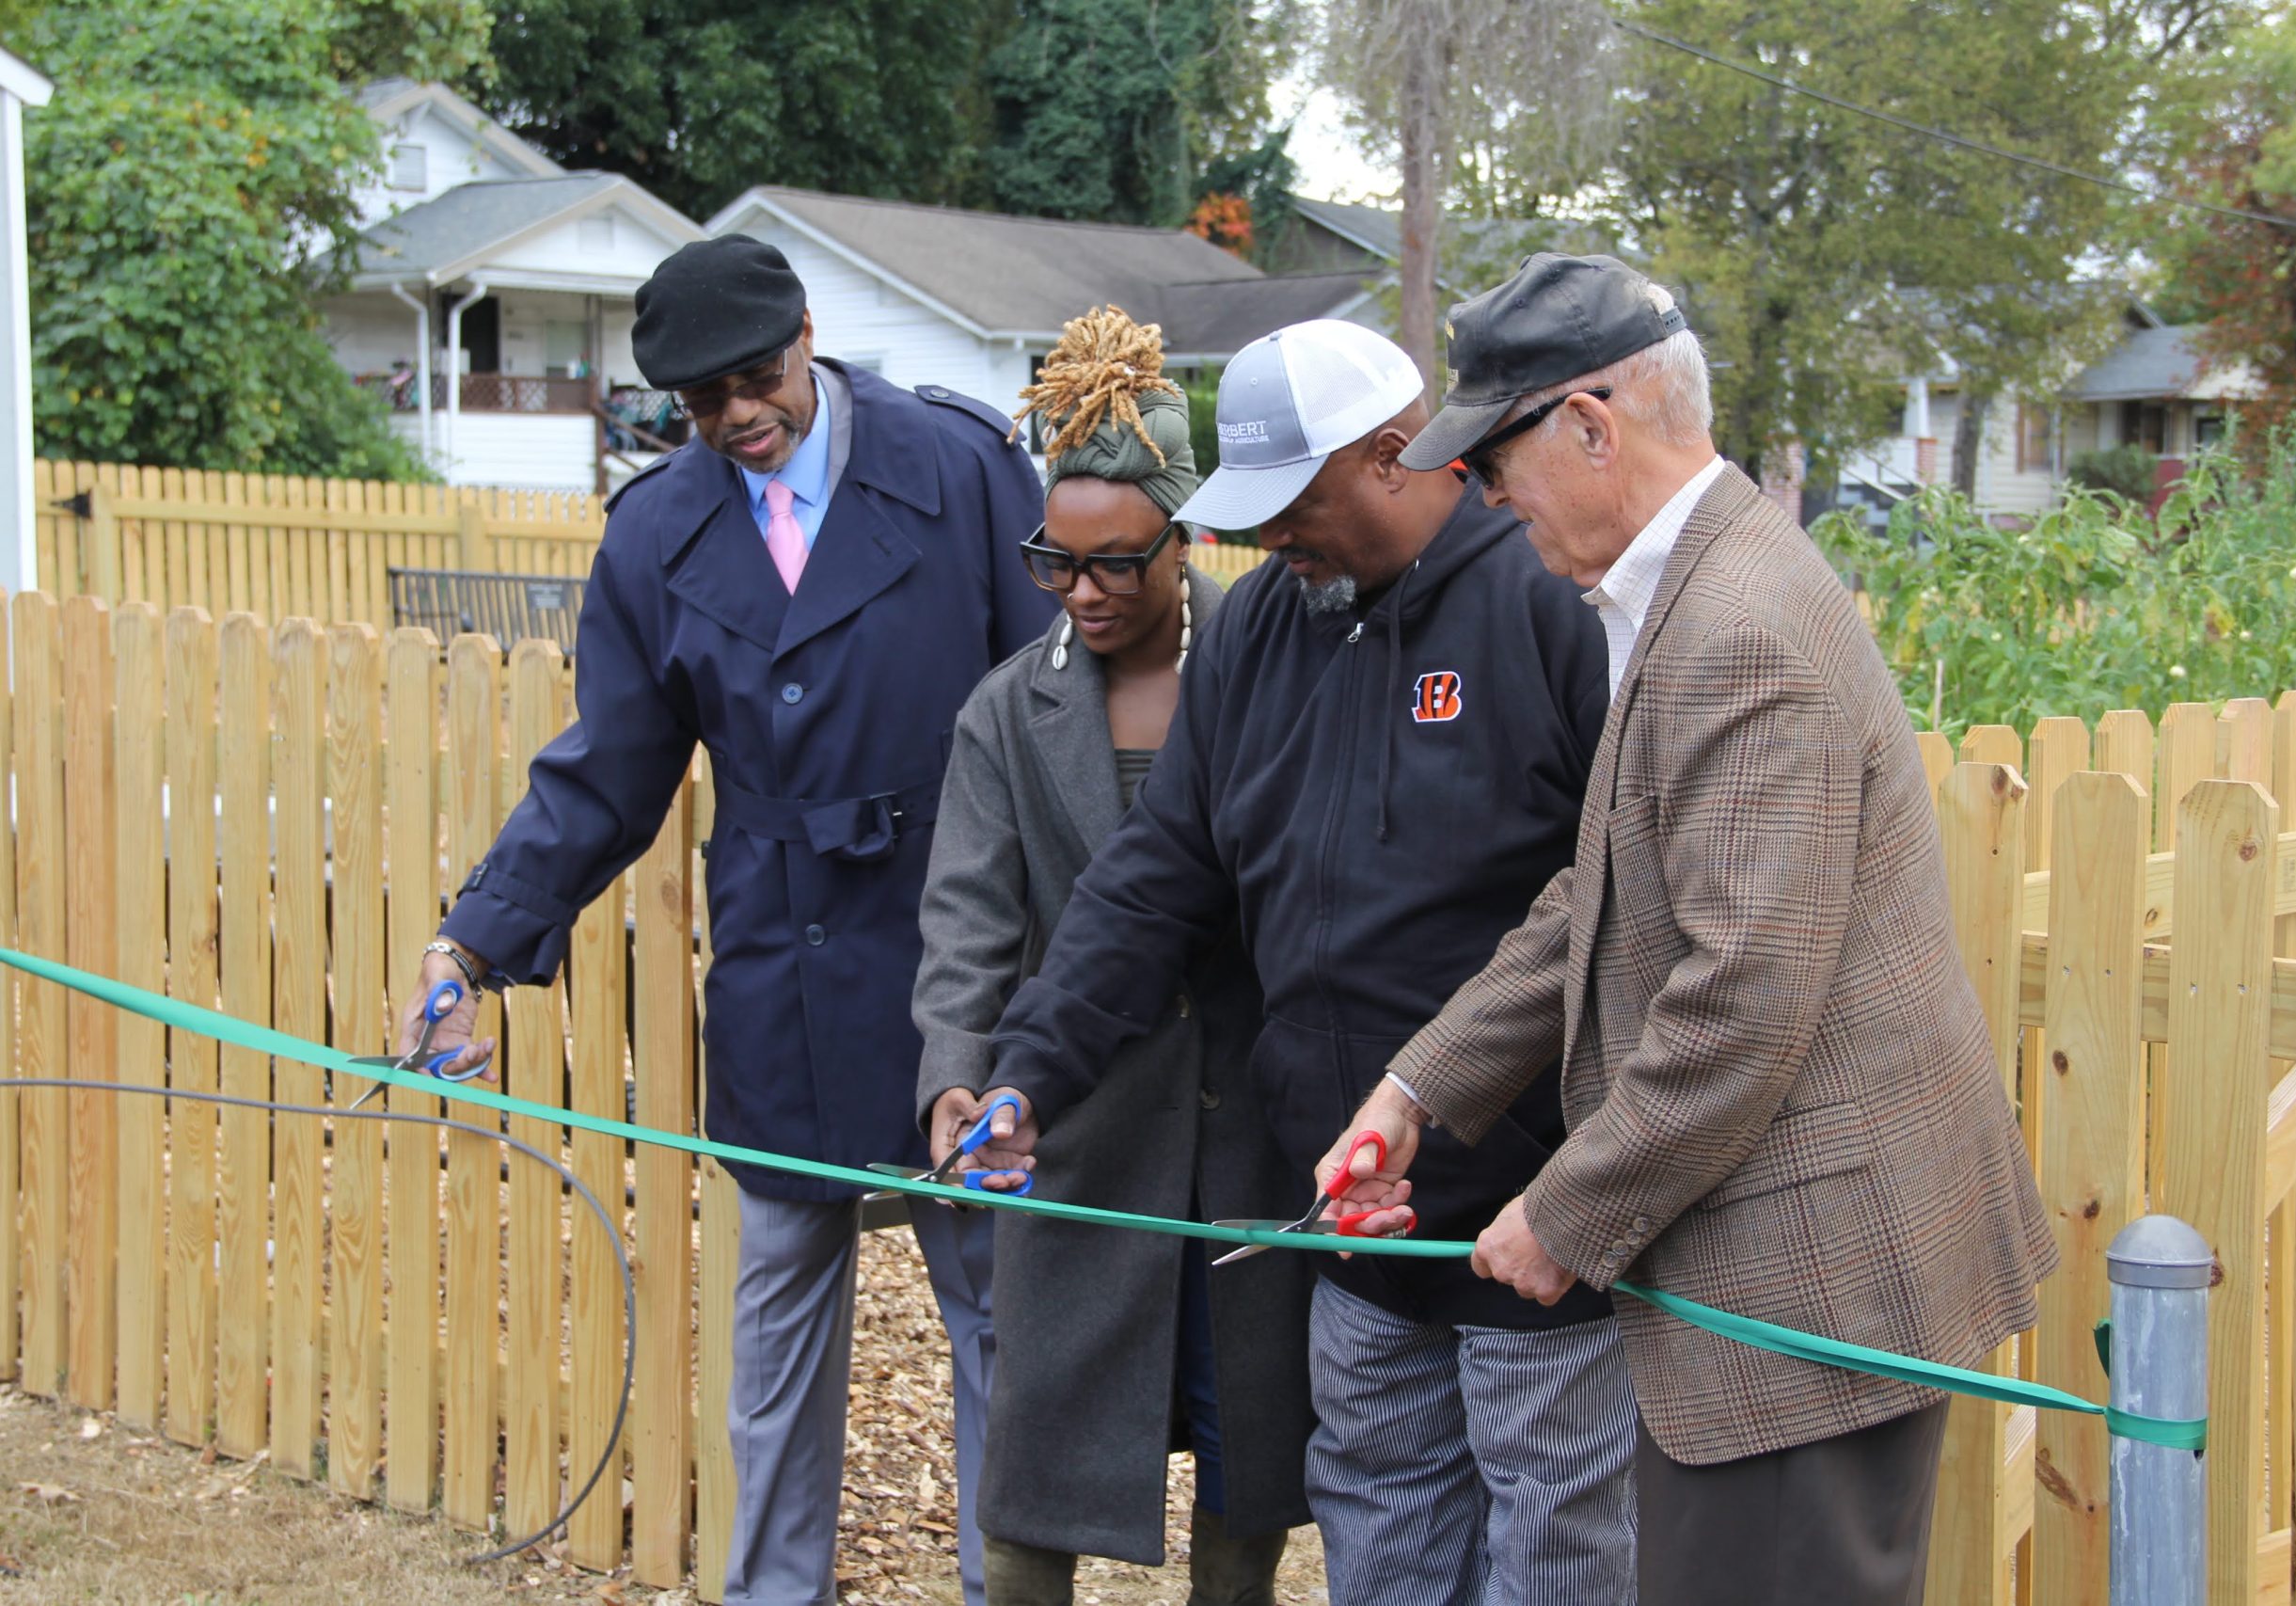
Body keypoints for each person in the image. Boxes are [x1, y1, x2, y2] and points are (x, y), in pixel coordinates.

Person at [1314, 251, 2056, 1605]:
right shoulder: (1681, 594)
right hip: (1782, 1285)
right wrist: (1419, 1087)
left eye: (1493, 458)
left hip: (1810, 1298)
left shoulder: (1738, 627)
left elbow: (1741, 999)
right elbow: (1595, 896)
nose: (1478, 494)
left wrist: (1562, 1214)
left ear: (1592, 426)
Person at [392, 235, 1057, 1606]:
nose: (739, 417)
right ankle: (775, 1592)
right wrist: (472, 942)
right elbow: (609, 770)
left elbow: (1048, 708)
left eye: (758, 379)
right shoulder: (654, 534)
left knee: (1001, 1307)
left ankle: (1012, 1590)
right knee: (779, 1312)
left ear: (809, 334)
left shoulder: (965, 469)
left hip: (968, 958)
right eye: (704, 403)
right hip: (783, 961)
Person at [967, 320, 1642, 1605]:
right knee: (1380, 1544)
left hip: (1531, 1229)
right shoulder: (1266, 627)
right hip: (1348, 1224)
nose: (1266, 540)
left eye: (1295, 505)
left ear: (1396, 456)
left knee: (1551, 1560)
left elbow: (1625, 900)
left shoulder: (1548, 603)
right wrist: (1033, 1070)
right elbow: (1159, 876)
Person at [912, 307, 1311, 1606]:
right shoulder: (1005, 715)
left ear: (1185, 539)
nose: (1082, 592)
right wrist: (957, 1078)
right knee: (1038, 1477)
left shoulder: (1270, 673)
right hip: (1077, 1137)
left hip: (1249, 1133)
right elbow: (968, 925)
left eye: (1114, 565)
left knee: (1248, 1469)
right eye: (1054, 562)